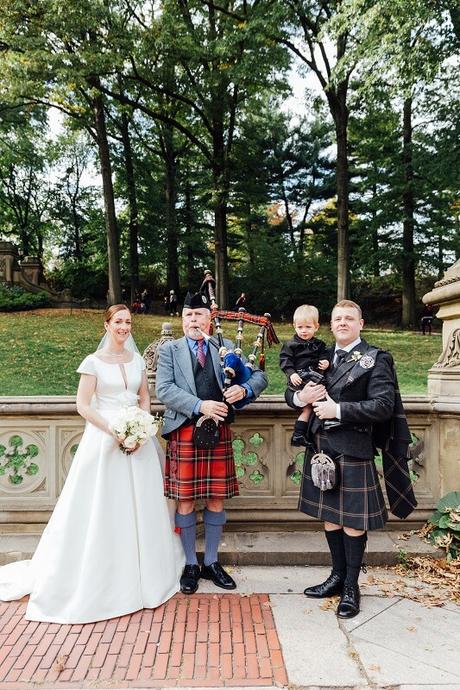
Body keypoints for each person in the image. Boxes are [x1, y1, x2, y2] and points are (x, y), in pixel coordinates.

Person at [0, 305, 184, 623]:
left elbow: (144, 398)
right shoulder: (93, 363)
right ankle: (105, 576)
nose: (124, 327)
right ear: (107, 325)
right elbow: (83, 405)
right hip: (103, 440)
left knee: (142, 505)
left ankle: (146, 573)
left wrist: (139, 427)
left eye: (128, 322)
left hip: (138, 441)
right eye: (118, 322)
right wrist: (115, 431)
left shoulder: (138, 360)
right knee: (104, 505)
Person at [285, 300, 416, 619]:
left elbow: (383, 405)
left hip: (354, 447)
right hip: (321, 448)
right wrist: (301, 397)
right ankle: (336, 576)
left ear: (361, 323)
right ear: (330, 325)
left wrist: (338, 410)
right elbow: (292, 393)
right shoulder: (320, 356)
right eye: (337, 318)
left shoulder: (376, 358)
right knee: (330, 515)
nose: (342, 323)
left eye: (349, 318)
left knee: (353, 521)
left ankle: (351, 587)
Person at [156, 290, 267, 595]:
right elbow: (164, 390)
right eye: (188, 315)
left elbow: (260, 377)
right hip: (186, 430)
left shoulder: (226, 347)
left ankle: (213, 562)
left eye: (200, 315)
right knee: (186, 500)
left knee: (216, 499)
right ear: (182, 321)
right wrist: (199, 405)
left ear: (209, 320)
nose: (194, 320)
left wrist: (244, 390)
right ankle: (191, 563)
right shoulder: (170, 351)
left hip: (218, 431)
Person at [279, 304, 329, 447]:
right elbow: (285, 361)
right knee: (317, 401)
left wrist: (325, 362)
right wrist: (291, 373)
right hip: (299, 379)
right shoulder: (290, 345)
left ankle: (299, 435)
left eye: (308, 327)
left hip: (315, 377)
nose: (304, 331)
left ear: (316, 327)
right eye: (300, 327)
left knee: (308, 408)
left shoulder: (320, 345)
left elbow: (324, 355)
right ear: (294, 326)